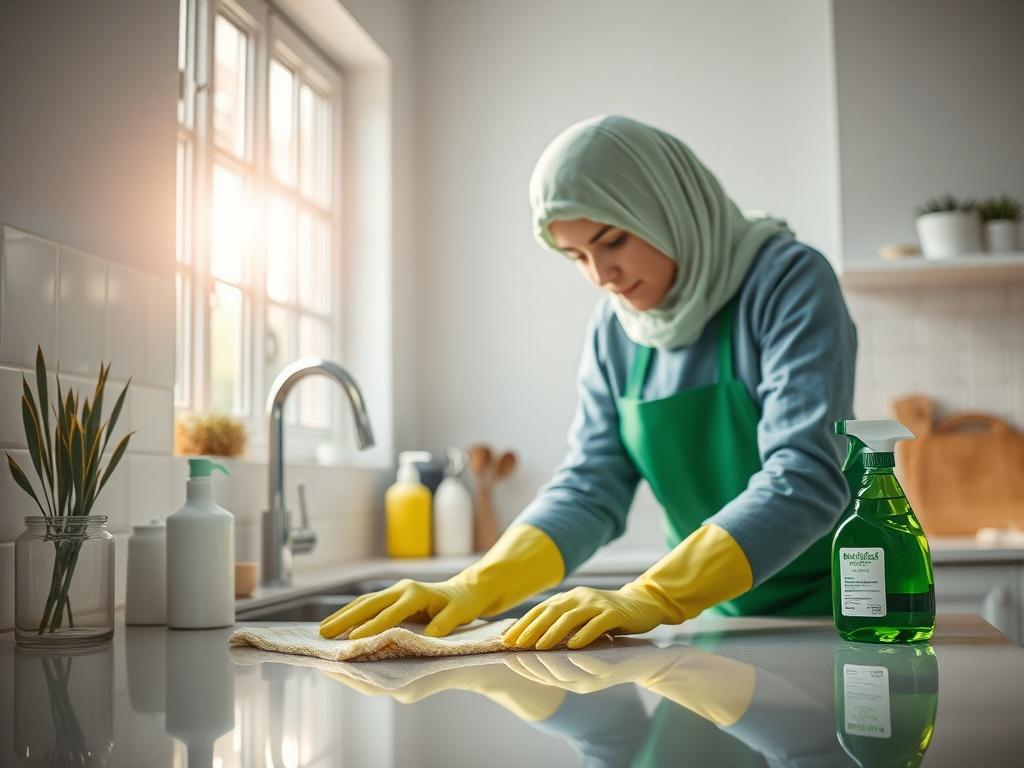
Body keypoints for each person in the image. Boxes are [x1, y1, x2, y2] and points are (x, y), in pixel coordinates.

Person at [320, 114, 858, 650]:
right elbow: (591, 486)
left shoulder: (789, 281)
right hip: (707, 620)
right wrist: (474, 586)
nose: (602, 275)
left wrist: (652, 596)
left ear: (665, 208)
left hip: (832, 618)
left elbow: (805, 476)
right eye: (577, 256)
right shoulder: (615, 329)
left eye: (613, 240)